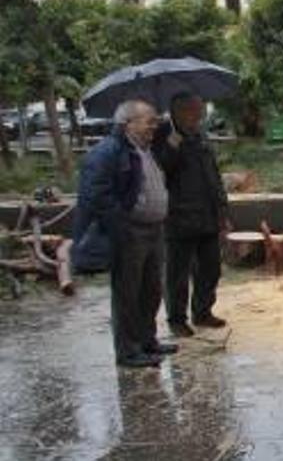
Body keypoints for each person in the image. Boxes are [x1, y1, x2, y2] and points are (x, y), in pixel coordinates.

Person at [73, 100, 176, 368]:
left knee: (151, 290)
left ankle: (147, 340)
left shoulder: (144, 148)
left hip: (153, 230)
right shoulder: (108, 151)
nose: (154, 125)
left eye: (155, 121)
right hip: (130, 232)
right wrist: (121, 223)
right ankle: (128, 351)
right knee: (128, 293)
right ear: (127, 123)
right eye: (148, 120)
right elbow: (95, 194)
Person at [155, 93, 231, 338]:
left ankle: (203, 311)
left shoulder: (200, 135)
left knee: (211, 268)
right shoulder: (164, 134)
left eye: (201, 111)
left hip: (207, 214)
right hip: (178, 216)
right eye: (196, 111)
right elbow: (160, 169)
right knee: (177, 273)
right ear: (180, 111)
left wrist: (222, 209)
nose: (200, 116)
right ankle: (177, 319)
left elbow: (213, 174)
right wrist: (173, 144)